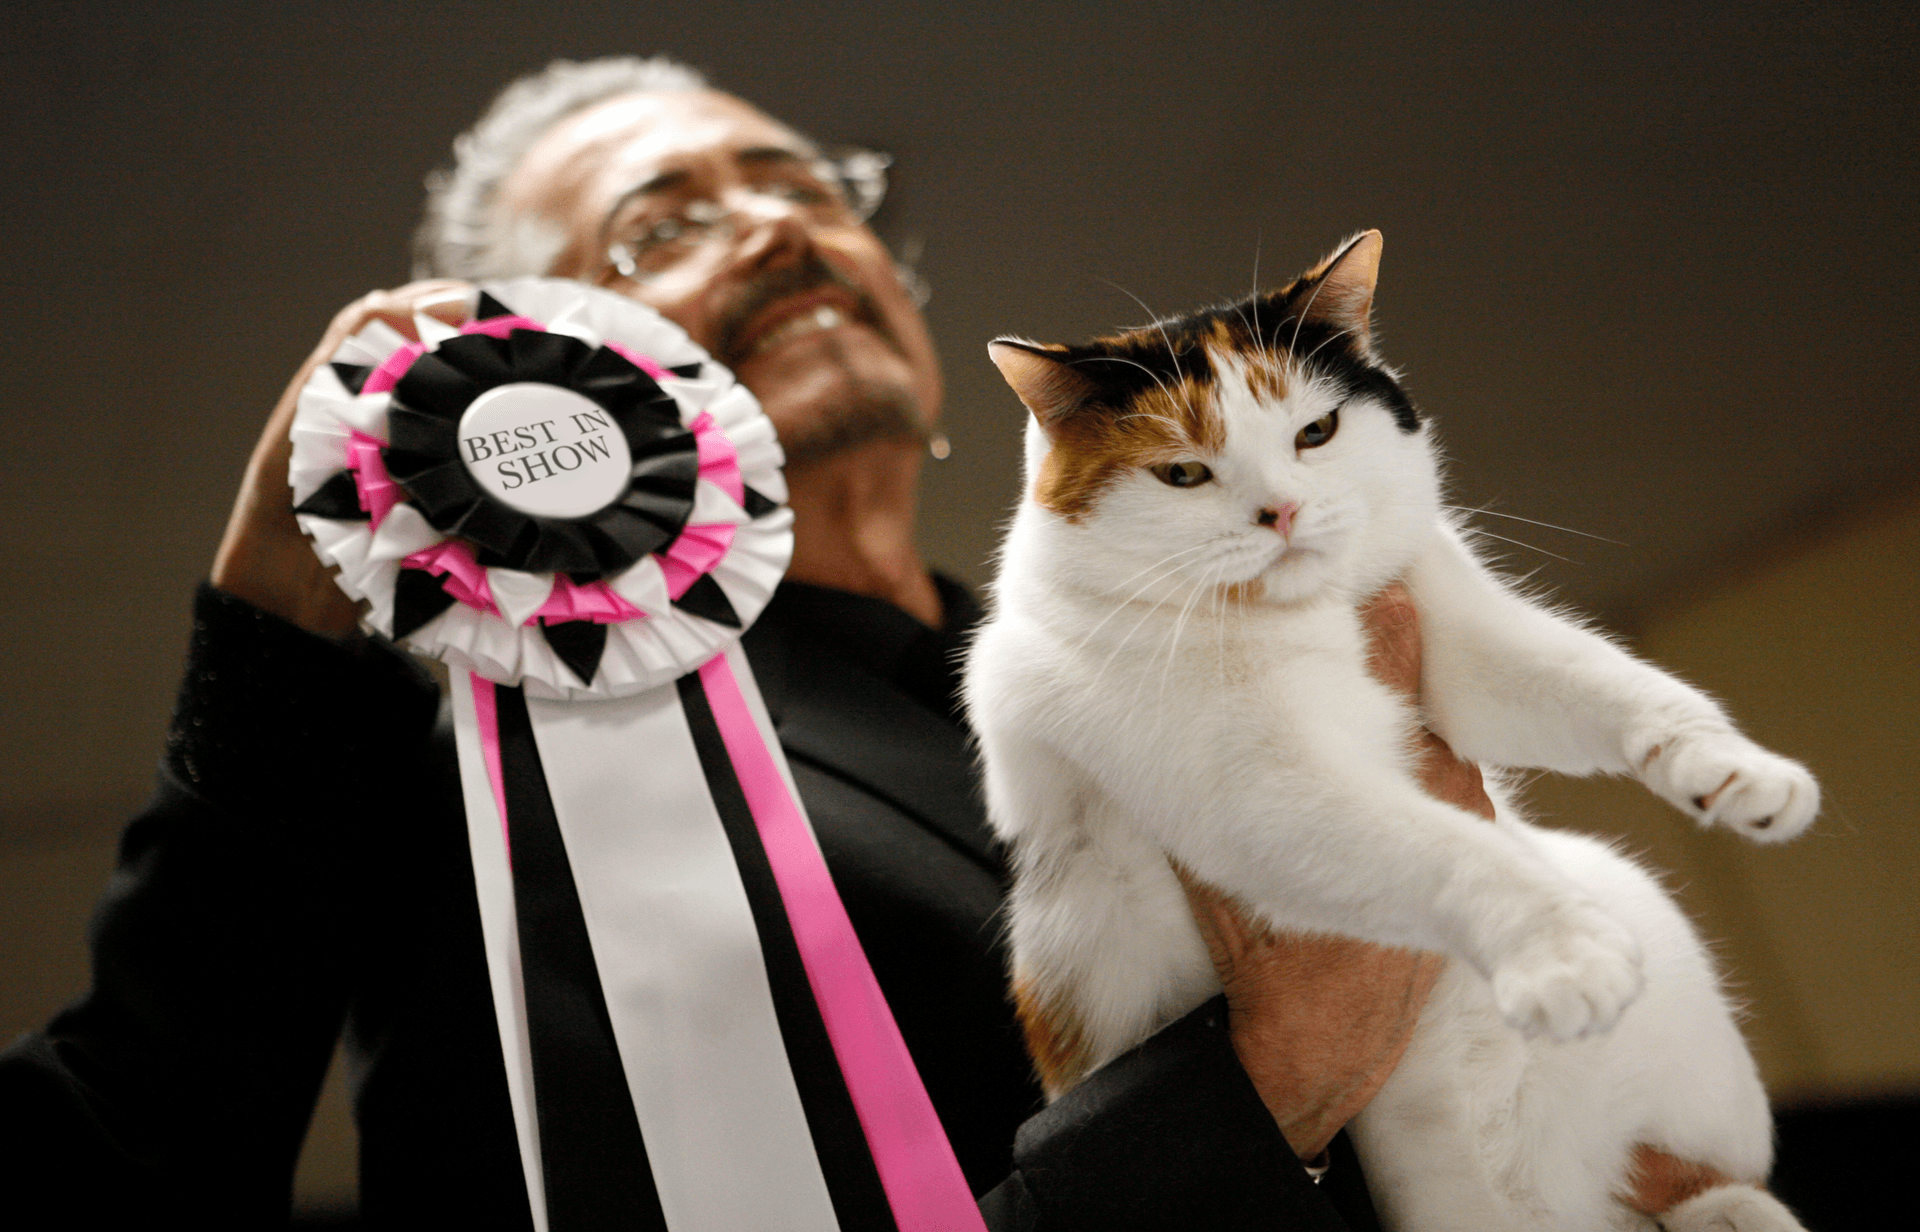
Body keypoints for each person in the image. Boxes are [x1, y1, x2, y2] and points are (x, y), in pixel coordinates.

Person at [0, 57, 1474, 1229]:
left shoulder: (1148, 666)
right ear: (537, 392)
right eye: (663, 225)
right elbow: (130, 1158)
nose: (783, 225)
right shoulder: (486, 785)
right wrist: (1265, 1080)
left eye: (815, 187)